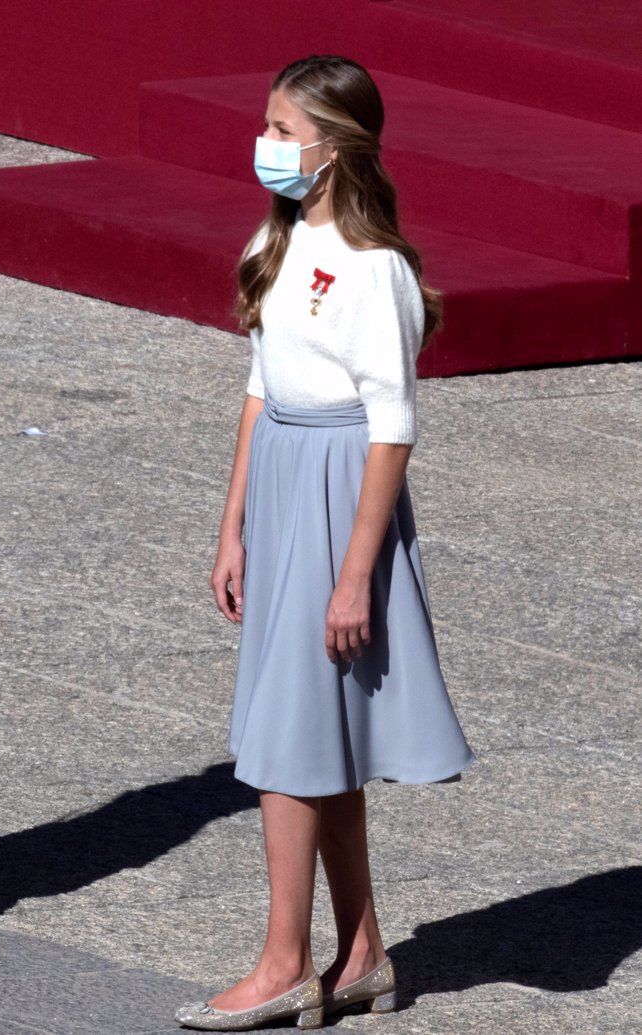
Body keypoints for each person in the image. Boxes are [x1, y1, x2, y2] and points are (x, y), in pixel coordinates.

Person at [175, 55, 474, 1031]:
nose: (266, 146)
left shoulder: (374, 269)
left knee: (288, 741)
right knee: (313, 730)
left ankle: (284, 964)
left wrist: (356, 576)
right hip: (283, 483)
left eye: (282, 130)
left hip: (343, 492)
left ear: (335, 149)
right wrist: (234, 526)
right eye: (265, 125)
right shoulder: (281, 236)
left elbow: (392, 428)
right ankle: (364, 954)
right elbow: (261, 389)